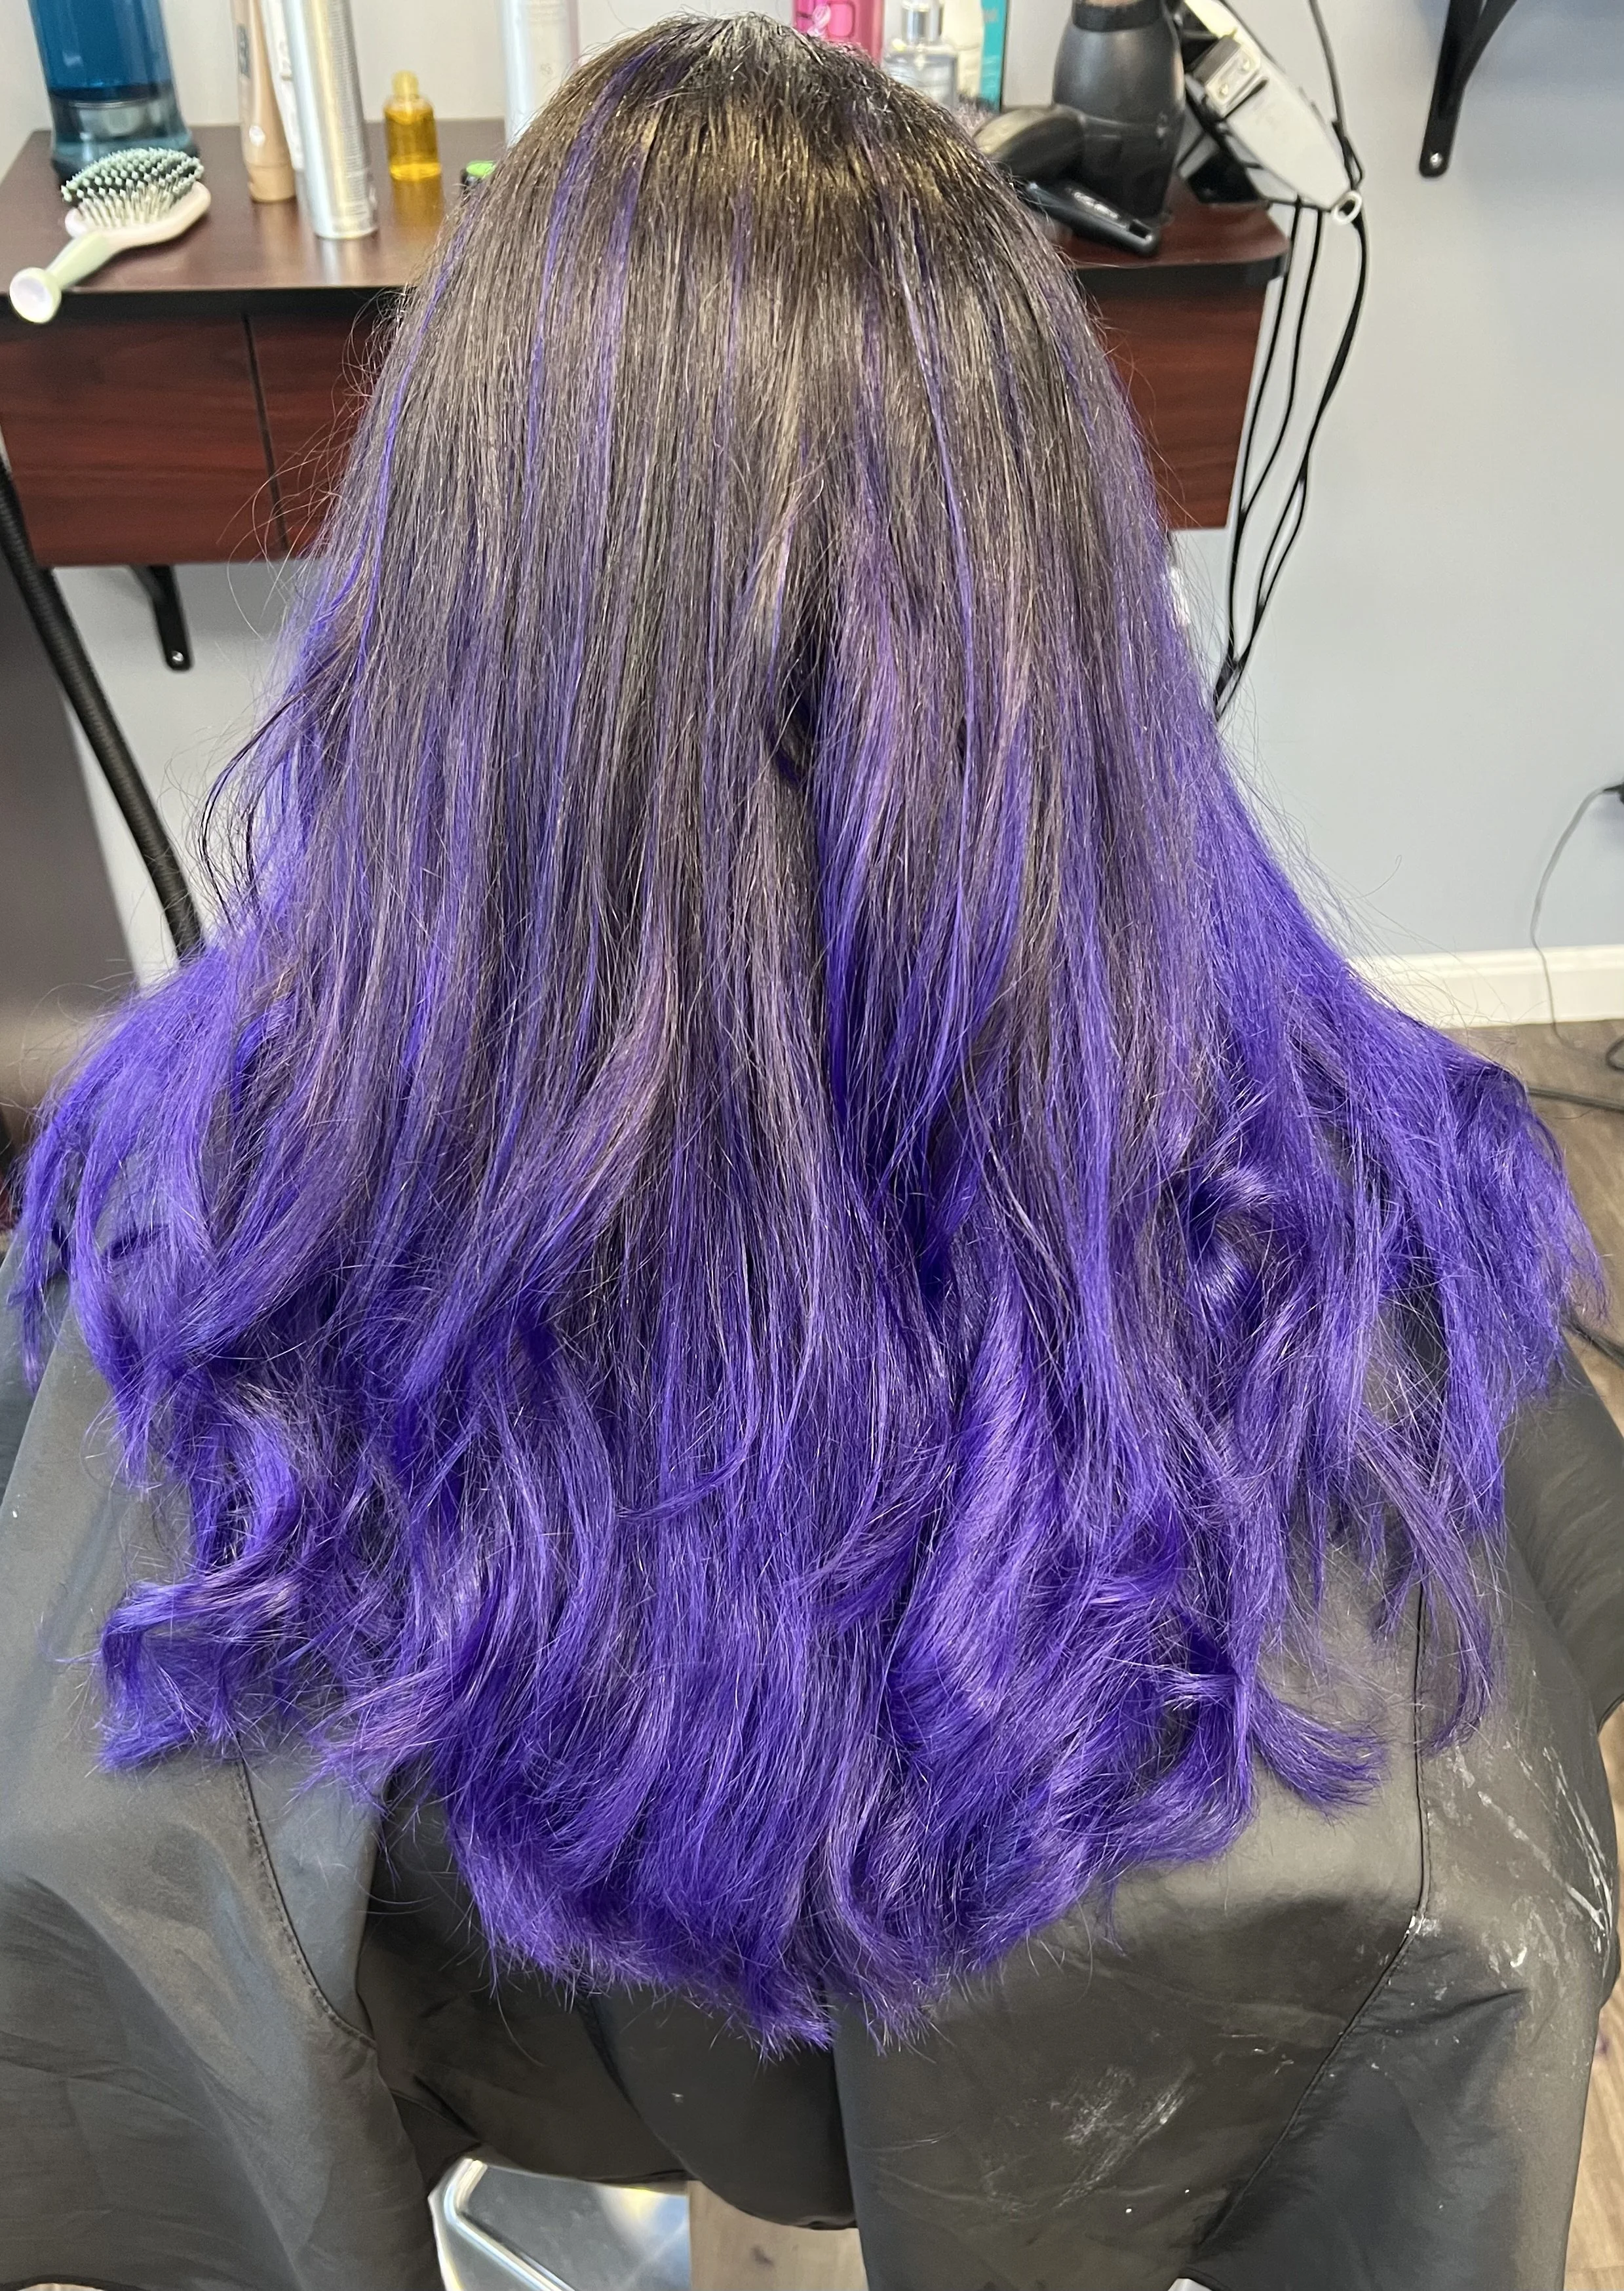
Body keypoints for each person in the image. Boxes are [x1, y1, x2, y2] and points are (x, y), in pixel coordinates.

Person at [2, 18, 1622, 2290]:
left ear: (440, 602)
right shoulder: (1361, 1201)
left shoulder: (188, 1161)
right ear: (1057, 616)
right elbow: (1450, 1946)